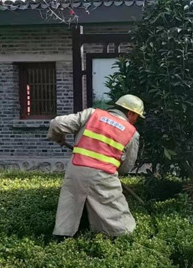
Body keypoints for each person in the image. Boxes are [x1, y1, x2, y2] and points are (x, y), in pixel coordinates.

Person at [48, 95, 144, 237]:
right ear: (131, 113)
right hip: (104, 175)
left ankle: (62, 236)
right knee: (117, 216)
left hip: (76, 169)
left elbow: (56, 124)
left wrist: (58, 138)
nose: (136, 121)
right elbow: (126, 166)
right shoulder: (132, 133)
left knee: (70, 203)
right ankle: (119, 237)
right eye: (137, 117)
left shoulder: (92, 114)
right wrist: (116, 171)